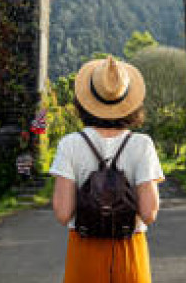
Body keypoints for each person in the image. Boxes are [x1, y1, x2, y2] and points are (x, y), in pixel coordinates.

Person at [49, 56, 165, 283]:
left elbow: (63, 214)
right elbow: (149, 213)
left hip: (84, 249)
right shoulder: (142, 144)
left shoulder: (70, 144)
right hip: (129, 249)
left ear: (85, 100)